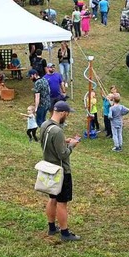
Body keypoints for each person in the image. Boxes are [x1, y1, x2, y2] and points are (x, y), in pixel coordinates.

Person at [41, 101, 81, 241]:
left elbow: (51, 143)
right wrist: (71, 145)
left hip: (49, 168)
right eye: (67, 114)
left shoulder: (45, 125)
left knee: (52, 199)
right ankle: (65, 233)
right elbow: (63, 154)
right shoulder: (57, 130)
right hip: (61, 171)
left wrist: (64, 141)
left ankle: (52, 227)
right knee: (62, 203)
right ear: (63, 113)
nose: (67, 117)